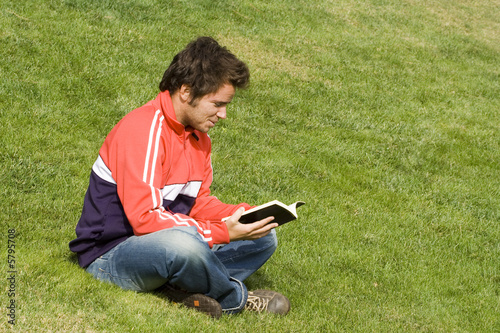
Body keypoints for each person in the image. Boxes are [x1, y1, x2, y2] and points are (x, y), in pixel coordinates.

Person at [69, 37, 290, 318]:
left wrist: (242, 215)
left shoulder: (199, 138)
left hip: (162, 243)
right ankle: (235, 299)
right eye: (217, 104)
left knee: (263, 236)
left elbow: (197, 205)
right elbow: (146, 218)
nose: (223, 115)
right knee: (182, 246)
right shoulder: (142, 129)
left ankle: (181, 287)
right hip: (109, 254)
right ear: (186, 91)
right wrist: (222, 232)